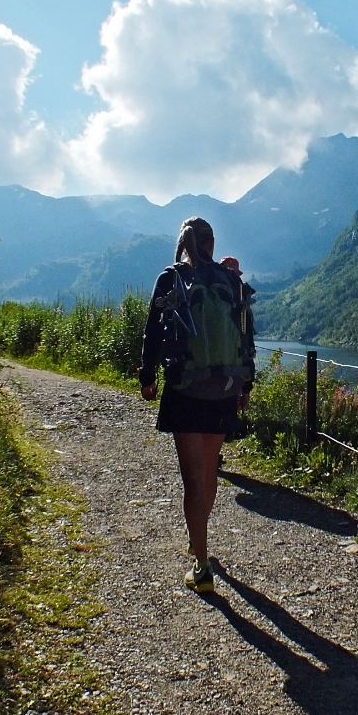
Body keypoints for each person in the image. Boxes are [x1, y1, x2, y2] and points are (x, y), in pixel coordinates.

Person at [139, 217, 255, 593]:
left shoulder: (170, 278)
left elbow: (153, 332)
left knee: (192, 477)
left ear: (184, 244)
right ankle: (199, 540)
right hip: (222, 386)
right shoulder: (230, 280)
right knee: (208, 471)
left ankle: (201, 563)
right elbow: (245, 333)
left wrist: (148, 377)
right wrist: (245, 384)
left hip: (185, 389)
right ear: (212, 243)